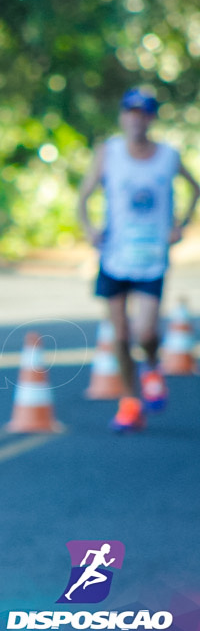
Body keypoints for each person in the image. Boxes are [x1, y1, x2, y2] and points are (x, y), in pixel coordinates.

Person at [77, 87, 200, 432]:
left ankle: (152, 366)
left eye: (142, 112)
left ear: (151, 118)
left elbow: (195, 188)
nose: (135, 118)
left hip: (151, 258)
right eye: (129, 112)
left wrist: (181, 225)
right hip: (115, 256)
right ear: (122, 116)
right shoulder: (109, 153)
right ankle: (129, 403)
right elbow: (84, 197)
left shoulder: (168, 156)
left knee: (145, 331)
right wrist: (89, 229)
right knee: (119, 335)